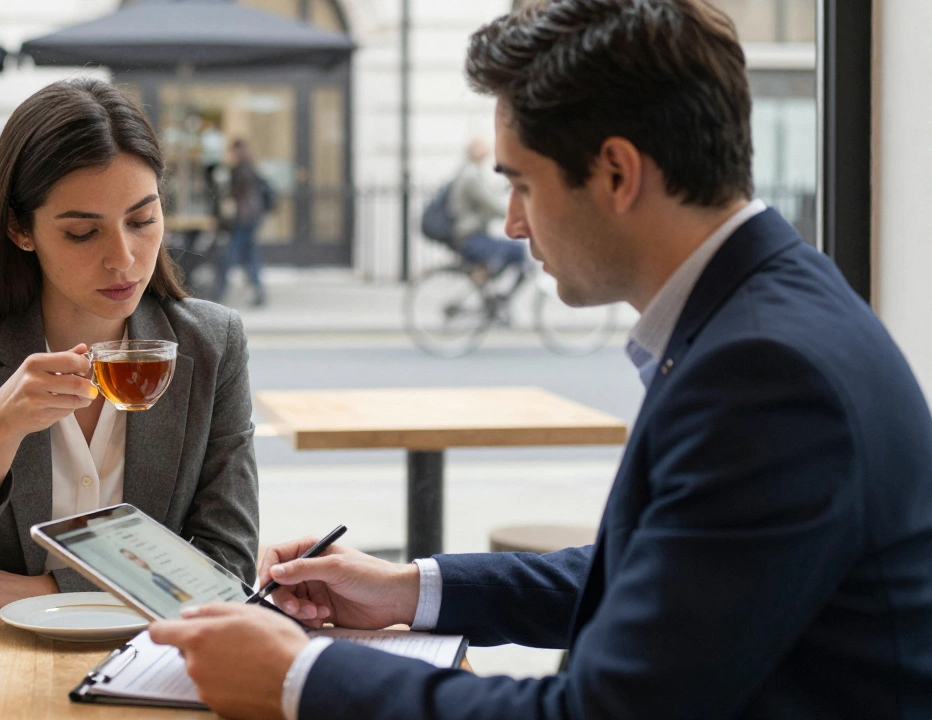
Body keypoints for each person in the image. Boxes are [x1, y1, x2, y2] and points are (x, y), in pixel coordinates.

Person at [147, 2, 932, 719]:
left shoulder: (763, 372)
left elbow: (603, 712)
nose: (514, 225)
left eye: (521, 184)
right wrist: (408, 590)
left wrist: (300, 677)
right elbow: (664, 573)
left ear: (618, 173)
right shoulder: (772, 305)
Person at [0, 77, 260, 617]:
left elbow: (230, 569)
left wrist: (55, 590)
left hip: (152, 657)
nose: (123, 258)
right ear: (20, 229)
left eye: (142, 220)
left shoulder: (212, 345)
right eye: (83, 232)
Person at [449, 136, 527, 277]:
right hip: (471, 238)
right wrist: (517, 213)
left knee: (508, 251)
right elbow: (491, 204)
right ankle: (485, 279)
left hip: (472, 236)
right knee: (517, 250)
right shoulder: (471, 176)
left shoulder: (469, 172)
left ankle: (486, 278)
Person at [213, 139, 268, 307]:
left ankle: (219, 290)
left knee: (232, 255)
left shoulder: (240, 170)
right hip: (252, 217)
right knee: (248, 255)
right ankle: (258, 291)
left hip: (244, 218)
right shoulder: (249, 167)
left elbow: (232, 194)